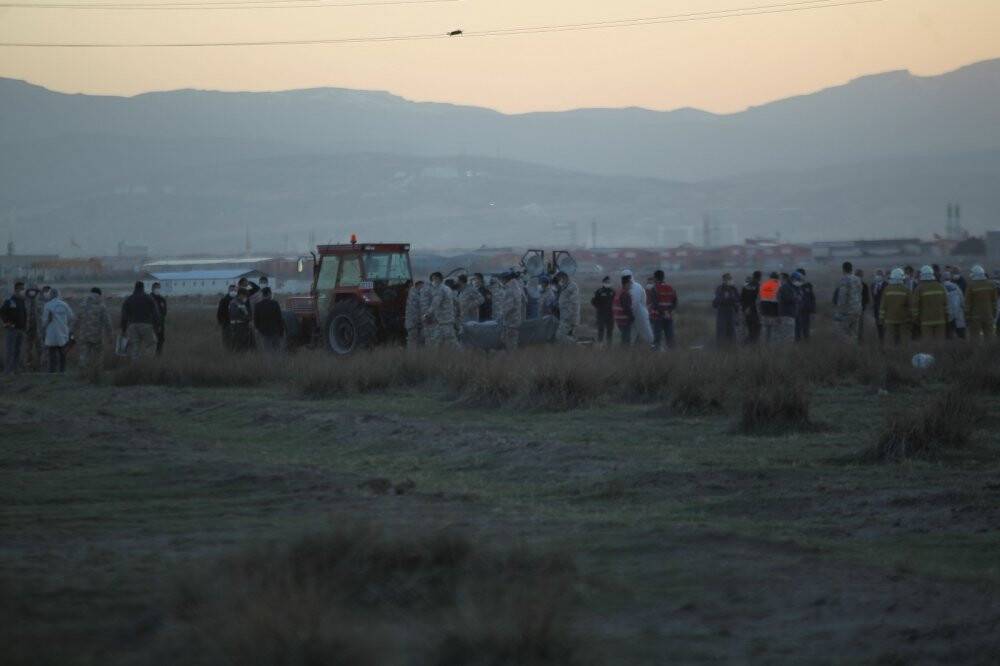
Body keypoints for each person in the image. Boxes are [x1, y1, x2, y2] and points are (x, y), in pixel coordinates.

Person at [74, 287, 113, 376]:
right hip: (97, 336)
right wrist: (110, 335)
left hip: (83, 335)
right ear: (99, 294)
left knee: (83, 355)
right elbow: (107, 322)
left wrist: (72, 332)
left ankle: (82, 374)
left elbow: (75, 320)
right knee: (98, 356)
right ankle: (96, 374)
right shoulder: (101, 306)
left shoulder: (82, 305)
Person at [121, 281, 161, 360]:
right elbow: (156, 313)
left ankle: (135, 366)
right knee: (151, 344)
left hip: (132, 326)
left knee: (135, 347)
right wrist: (157, 326)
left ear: (135, 288)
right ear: (143, 288)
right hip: (146, 325)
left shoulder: (129, 299)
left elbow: (124, 316)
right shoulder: (149, 298)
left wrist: (123, 329)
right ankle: (147, 363)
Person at [41, 287, 74, 373]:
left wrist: (44, 329)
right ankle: (62, 371)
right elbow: (71, 317)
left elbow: (44, 322)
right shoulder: (64, 305)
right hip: (63, 333)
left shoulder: (47, 305)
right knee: (62, 354)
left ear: (50, 295)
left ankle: (52, 372)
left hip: (51, 334)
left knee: (52, 355)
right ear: (58, 294)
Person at [911, 265, 948, 340]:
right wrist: (946, 317)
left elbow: (915, 306)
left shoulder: (919, 288)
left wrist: (915, 319)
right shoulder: (940, 287)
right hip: (940, 320)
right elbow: (946, 304)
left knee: (928, 344)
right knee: (940, 343)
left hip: (926, 321)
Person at [425, 272, 460, 349]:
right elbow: (456, 302)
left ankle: (462, 355)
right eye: (432, 279)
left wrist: (427, 314)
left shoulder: (440, 290)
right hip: (446, 319)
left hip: (444, 319)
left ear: (439, 279)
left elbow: (435, 303)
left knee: (451, 341)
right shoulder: (447, 289)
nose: (433, 281)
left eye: (434, 279)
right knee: (437, 339)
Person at [878, 268, 911, 347]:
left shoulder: (887, 289)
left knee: (890, 341)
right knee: (903, 342)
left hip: (889, 320)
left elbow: (883, 306)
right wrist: (910, 319)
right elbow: (911, 306)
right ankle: (902, 356)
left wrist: (881, 319)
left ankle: (890, 356)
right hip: (903, 320)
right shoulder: (906, 290)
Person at [965, 265, 998, 341]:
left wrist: (967, 316)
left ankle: (976, 352)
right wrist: (994, 314)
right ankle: (990, 351)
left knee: (975, 338)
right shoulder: (991, 285)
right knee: (989, 337)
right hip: (988, 315)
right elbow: (994, 302)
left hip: (975, 316)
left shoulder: (971, 285)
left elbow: (967, 303)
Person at [832, 262, 863, 343]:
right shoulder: (858, 279)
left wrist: (839, 311)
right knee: (854, 334)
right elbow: (860, 293)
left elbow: (842, 297)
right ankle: (854, 351)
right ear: (851, 268)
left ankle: (847, 352)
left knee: (844, 333)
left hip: (847, 311)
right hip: (857, 310)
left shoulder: (844, 279)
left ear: (843, 269)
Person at [1, 281, 27, 374]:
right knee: (10, 350)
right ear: (16, 290)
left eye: (23, 289)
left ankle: (16, 369)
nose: (23, 291)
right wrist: (7, 323)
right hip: (12, 329)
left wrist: (24, 326)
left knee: (18, 350)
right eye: (22, 289)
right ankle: (8, 370)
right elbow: (3, 312)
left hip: (21, 329)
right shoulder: (10, 301)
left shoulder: (22, 301)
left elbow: (24, 314)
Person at [649, 270, 677, 350]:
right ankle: (672, 355)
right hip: (668, 317)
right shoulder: (670, 288)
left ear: (656, 278)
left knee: (657, 339)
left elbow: (655, 304)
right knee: (670, 338)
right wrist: (668, 312)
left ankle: (655, 356)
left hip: (657, 317)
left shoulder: (654, 289)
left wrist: (663, 312)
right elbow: (675, 302)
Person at [253, 287, 285, 352]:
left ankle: (268, 361)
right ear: (269, 294)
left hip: (263, 332)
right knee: (276, 350)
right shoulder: (275, 303)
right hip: (275, 331)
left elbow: (256, 320)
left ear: (262, 295)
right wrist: (281, 331)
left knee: (267, 350)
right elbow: (279, 318)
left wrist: (259, 329)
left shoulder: (258, 305)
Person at [712, 273, 740, 346]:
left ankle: (731, 346)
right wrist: (727, 299)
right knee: (721, 330)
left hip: (731, 311)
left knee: (731, 330)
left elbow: (738, 299)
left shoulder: (734, 288)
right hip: (722, 311)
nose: (730, 281)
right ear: (724, 280)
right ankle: (720, 347)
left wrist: (736, 308)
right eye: (729, 279)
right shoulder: (720, 288)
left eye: (730, 279)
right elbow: (717, 300)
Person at [499, 271, 523, 350]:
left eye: (501, 279)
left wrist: (501, 315)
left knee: (510, 344)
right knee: (512, 341)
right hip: (515, 319)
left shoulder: (510, 290)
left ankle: (512, 360)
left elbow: (509, 307)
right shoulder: (516, 287)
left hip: (510, 321)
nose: (501, 281)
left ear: (505, 279)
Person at [555, 271, 580, 344]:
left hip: (569, 317)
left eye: (559, 279)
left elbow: (574, 303)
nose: (559, 281)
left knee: (560, 336)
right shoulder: (564, 287)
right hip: (564, 316)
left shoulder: (572, 286)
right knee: (567, 336)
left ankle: (578, 345)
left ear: (564, 278)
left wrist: (571, 317)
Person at [591, 276, 615, 347]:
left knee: (610, 330)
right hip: (601, 314)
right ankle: (600, 344)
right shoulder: (599, 291)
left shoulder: (612, 291)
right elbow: (594, 301)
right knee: (601, 329)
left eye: (609, 282)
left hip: (610, 314)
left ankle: (609, 345)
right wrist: (599, 307)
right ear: (603, 283)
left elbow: (615, 301)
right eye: (606, 282)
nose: (608, 283)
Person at [23, 285, 43, 371]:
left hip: (38, 329)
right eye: (31, 290)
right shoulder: (24, 302)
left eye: (34, 290)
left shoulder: (40, 302)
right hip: (27, 329)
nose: (32, 292)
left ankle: (41, 366)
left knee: (40, 348)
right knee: (28, 349)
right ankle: (28, 366)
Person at [758, 271, 781, 344]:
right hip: (773, 308)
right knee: (773, 329)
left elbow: (760, 296)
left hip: (763, 307)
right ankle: (772, 346)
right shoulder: (778, 284)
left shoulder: (764, 284)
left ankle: (763, 344)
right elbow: (779, 298)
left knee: (765, 328)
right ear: (777, 277)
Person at [942, 272, 966, 340]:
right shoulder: (956, 287)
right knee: (961, 337)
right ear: (950, 278)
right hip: (958, 314)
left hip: (947, 315)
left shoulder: (941, 287)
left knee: (949, 337)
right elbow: (962, 300)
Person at [792, 270, 815, 342]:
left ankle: (804, 340)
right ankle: (800, 341)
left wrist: (812, 309)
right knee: (799, 327)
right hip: (799, 309)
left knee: (803, 327)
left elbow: (812, 298)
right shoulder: (797, 286)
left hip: (804, 309)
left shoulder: (807, 286)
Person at [228, 288, 254, 352]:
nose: (246, 297)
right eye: (245, 295)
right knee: (239, 343)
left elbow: (245, 312)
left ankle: (242, 355)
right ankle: (238, 355)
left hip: (243, 325)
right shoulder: (234, 302)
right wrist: (247, 318)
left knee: (244, 342)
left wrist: (249, 318)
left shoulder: (241, 302)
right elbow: (235, 314)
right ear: (241, 295)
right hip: (238, 325)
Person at [612, 274, 634, 347]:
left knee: (624, 338)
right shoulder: (625, 294)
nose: (631, 285)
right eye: (630, 283)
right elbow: (626, 308)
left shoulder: (619, 292)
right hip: (624, 319)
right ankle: (625, 354)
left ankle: (623, 353)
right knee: (626, 340)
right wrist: (632, 318)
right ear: (626, 284)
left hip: (619, 319)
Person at [741, 272, 762, 344]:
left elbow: (742, 298)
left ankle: (746, 344)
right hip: (754, 311)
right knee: (756, 330)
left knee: (751, 330)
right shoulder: (758, 286)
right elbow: (758, 300)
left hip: (747, 311)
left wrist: (745, 308)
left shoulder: (746, 286)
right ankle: (750, 345)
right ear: (759, 277)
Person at [404, 279, 424, 348]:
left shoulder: (415, 293)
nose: (423, 287)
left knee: (419, 341)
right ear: (417, 285)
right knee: (413, 340)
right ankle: (412, 356)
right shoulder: (413, 294)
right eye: (422, 285)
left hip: (417, 322)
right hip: (413, 322)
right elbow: (417, 308)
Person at [217, 284, 237, 350]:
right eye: (231, 290)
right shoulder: (224, 300)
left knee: (236, 339)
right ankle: (226, 350)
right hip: (226, 323)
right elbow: (220, 313)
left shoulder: (239, 300)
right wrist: (222, 322)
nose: (233, 291)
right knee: (226, 339)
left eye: (234, 290)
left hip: (237, 324)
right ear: (228, 290)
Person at [871, 270, 887, 345]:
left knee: (885, 326)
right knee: (878, 326)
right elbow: (873, 297)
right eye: (877, 274)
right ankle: (881, 340)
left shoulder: (887, 285)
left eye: (879, 274)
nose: (878, 276)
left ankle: (885, 341)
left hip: (885, 309)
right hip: (876, 309)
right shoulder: (873, 285)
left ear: (883, 276)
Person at [151, 281, 167, 356]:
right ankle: (151, 355)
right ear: (152, 289)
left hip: (161, 323)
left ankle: (158, 355)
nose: (157, 289)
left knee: (160, 340)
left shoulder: (162, 299)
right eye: (155, 288)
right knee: (152, 340)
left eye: (158, 288)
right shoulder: (149, 298)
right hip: (151, 323)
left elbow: (164, 312)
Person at [855, 269, 870, 343]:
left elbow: (866, 299)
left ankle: (857, 341)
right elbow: (867, 299)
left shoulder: (852, 284)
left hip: (854, 309)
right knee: (859, 326)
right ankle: (858, 341)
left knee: (855, 326)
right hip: (859, 309)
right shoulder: (864, 285)